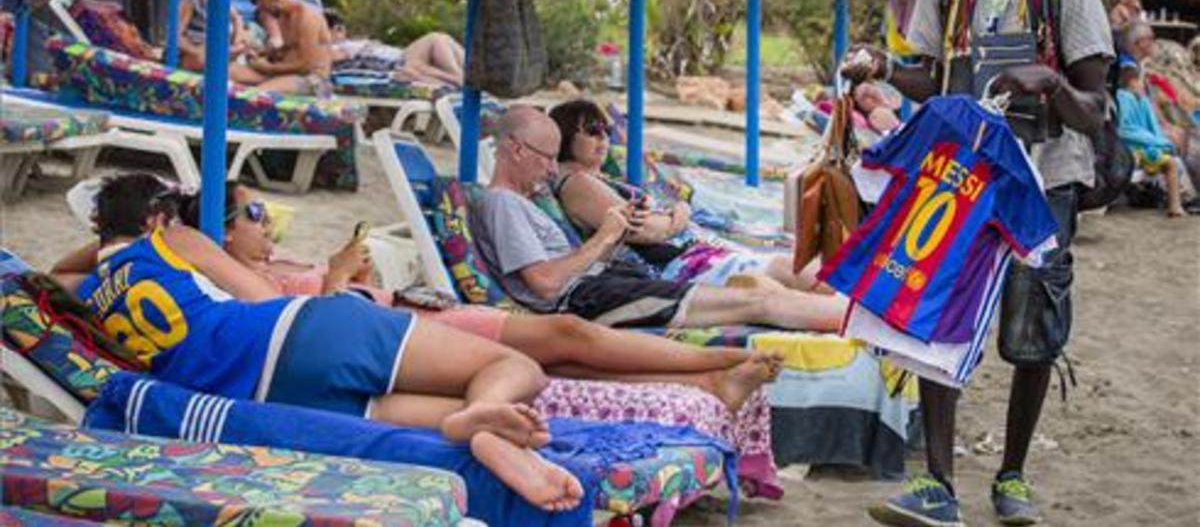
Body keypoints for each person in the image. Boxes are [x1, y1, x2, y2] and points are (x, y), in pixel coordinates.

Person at [51, 173, 583, 511]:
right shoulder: (175, 239)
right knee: (513, 366)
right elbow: (261, 298)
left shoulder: (89, 292)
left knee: (443, 408)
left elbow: (54, 270)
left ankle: (466, 424)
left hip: (267, 398)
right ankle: (482, 411)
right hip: (295, 332)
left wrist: (107, 240)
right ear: (157, 220)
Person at [841, 0, 1113, 526]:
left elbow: (1095, 107)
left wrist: (1047, 79)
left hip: (1042, 179)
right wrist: (880, 66)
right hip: (960, 178)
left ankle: (1012, 476)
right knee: (935, 316)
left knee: (1032, 326)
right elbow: (930, 80)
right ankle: (937, 482)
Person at [183, 181, 780, 412]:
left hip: (412, 317)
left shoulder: (277, 261)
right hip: (392, 334)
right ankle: (719, 363)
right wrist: (337, 275)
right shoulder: (238, 285)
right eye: (255, 212)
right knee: (565, 339)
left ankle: (707, 381)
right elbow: (291, 332)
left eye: (271, 212)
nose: (269, 223)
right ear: (219, 231)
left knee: (564, 358)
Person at [469, 105, 848, 332]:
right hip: (590, 298)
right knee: (756, 301)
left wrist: (609, 242)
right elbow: (547, 284)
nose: (552, 169)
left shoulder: (525, 201)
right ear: (515, 149)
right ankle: (868, 321)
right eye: (546, 157)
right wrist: (605, 236)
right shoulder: (503, 203)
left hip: (609, 284)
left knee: (762, 291)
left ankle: (860, 311)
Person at [548, 99, 828, 291]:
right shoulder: (577, 182)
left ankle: (854, 303)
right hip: (674, 265)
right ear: (564, 136)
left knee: (789, 262)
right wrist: (679, 215)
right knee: (784, 267)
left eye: (606, 131)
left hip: (687, 252)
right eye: (593, 131)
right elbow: (640, 229)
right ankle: (857, 306)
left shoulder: (594, 178)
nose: (604, 139)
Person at [176, 0, 301, 91]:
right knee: (220, 65)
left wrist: (239, 37)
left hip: (225, 50)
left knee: (239, 63)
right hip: (202, 53)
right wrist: (196, 50)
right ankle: (275, 78)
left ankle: (275, 78)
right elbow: (176, 37)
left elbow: (237, 18)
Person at [1116, 62, 1196, 216]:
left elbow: (1153, 129)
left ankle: (1187, 198)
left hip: (1145, 147)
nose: (1144, 84)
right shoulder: (1123, 98)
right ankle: (1176, 206)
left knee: (1176, 158)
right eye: (1142, 80)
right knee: (1172, 163)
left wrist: (1163, 143)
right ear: (1132, 81)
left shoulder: (1142, 101)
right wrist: (1161, 142)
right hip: (1132, 150)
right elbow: (1125, 130)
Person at [326, 11, 466, 86]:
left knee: (445, 39)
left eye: (342, 29)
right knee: (435, 38)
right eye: (338, 29)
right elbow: (330, 57)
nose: (342, 33)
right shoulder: (333, 48)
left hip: (402, 57)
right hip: (401, 61)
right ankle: (460, 77)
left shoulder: (347, 43)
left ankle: (470, 74)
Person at [248, 0, 334, 96]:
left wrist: (268, 68)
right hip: (286, 73)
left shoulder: (307, 18)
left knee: (258, 94)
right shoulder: (283, 17)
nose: (265, 12)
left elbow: (305, 64)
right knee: (231, 73)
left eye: (264, 8)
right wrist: (264, 53)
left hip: (312, 78)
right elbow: (290, 47)